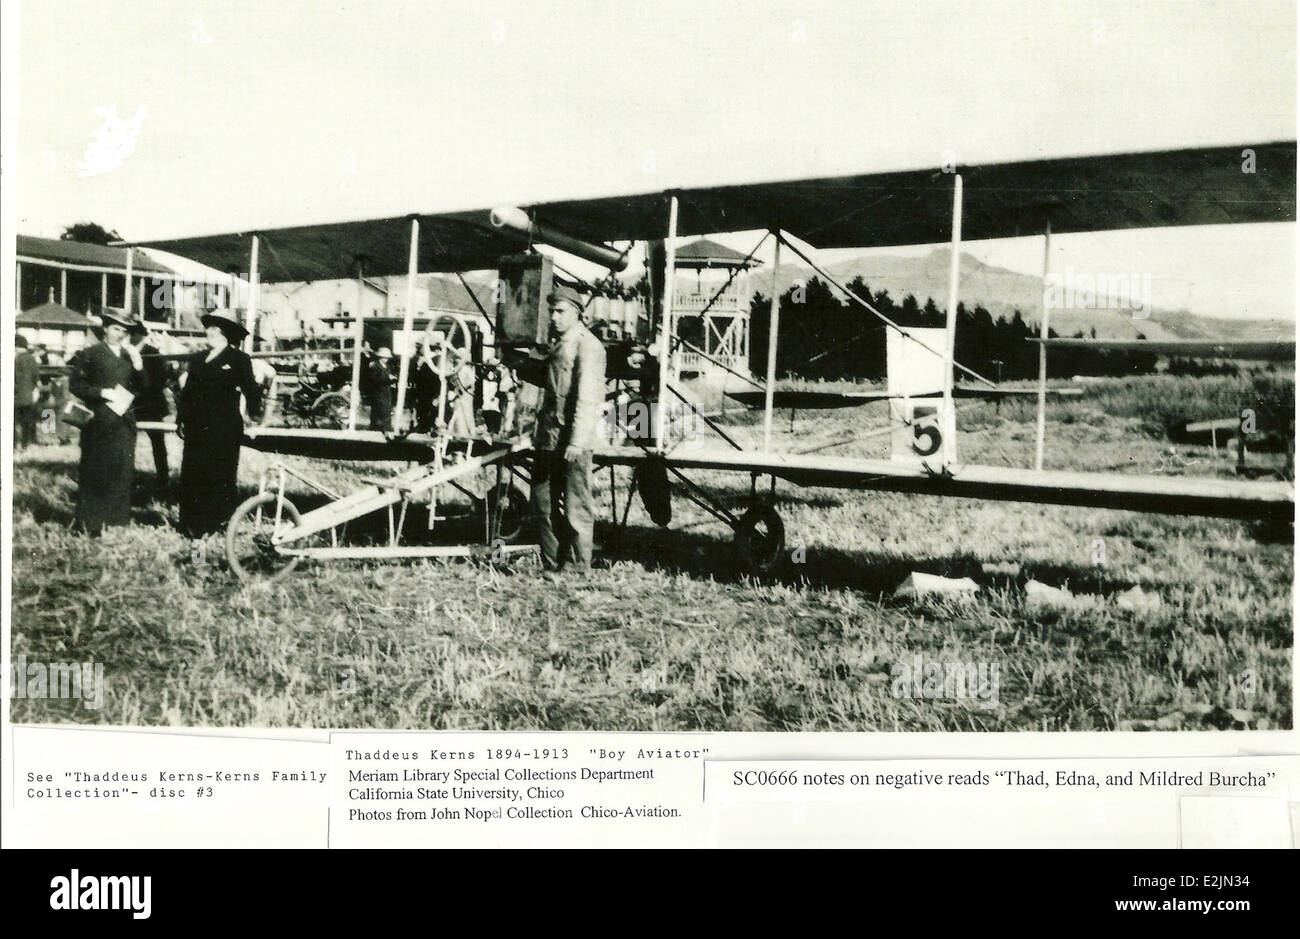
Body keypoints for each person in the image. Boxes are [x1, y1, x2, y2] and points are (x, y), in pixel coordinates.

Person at [530, 286, 606, 573]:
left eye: (560, 311)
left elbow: (588, 398)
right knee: (541, 504)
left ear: (577, 312)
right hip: (548, 438)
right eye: (551, 311)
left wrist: (576, 441)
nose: (553, 317)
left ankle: (580, 567)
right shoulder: (558, 344)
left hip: (572, 442)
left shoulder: (588, 345)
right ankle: (552, 565)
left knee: (576, 507)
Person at [176, 310, 261, 537]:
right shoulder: (196, 359)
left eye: (216, 329)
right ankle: (191, 524)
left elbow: (252, 391)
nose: (210, 332)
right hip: (196, 427)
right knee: (193, 473)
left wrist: (253, 416)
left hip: (224, 428)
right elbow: (187, 394)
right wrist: (181, 420)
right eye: (209, 328)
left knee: (220, 474)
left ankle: (219, 522)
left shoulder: (239, 360)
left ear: (226, 334)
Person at [68, 309, 145, 535]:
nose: (120, 334)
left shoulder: (129, 355)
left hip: (124, 422)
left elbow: (144, 388)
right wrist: (102, 392)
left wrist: (139, 365)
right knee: (95, 471)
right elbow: (76, 385)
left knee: (121, 471)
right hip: (98, 422)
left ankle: (116, 522)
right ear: (105, 328)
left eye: (124, 330)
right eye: (115, 329)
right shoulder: (90, 353)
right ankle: (89, 524)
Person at [129, 321, 173, 499]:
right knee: (128, 441)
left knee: (158, 443)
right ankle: (127, 476)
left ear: (142, 335)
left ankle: (163, 478)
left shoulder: (152, 352)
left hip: (151, 404)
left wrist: (143, 388)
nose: (132, 337)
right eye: (131, 334)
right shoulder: (126, 352)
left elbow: (161, 379)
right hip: (132, 404)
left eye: (135, 334)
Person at [13, 335, 40, 449]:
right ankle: (25, 445)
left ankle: (14, 445)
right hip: (29, 396)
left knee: (13, 423)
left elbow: (14, 378)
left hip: (17, 396)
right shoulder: (32, 359)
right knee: (26, 423)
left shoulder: (16, 359)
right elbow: (36, 378)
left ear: (18, 346)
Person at [364, 346, 396, 430]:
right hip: (378, 391)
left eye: (387, 357)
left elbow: (387, 377)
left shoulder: (387, 366)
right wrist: (389, 379)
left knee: (385, 409)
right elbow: (375, 379)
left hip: (386, 391)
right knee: (380, 409)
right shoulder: (375, 366)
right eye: (384, 357)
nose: (386, 359)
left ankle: (380, 426)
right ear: (380, 357)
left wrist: (392, 379)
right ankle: (383, 427)